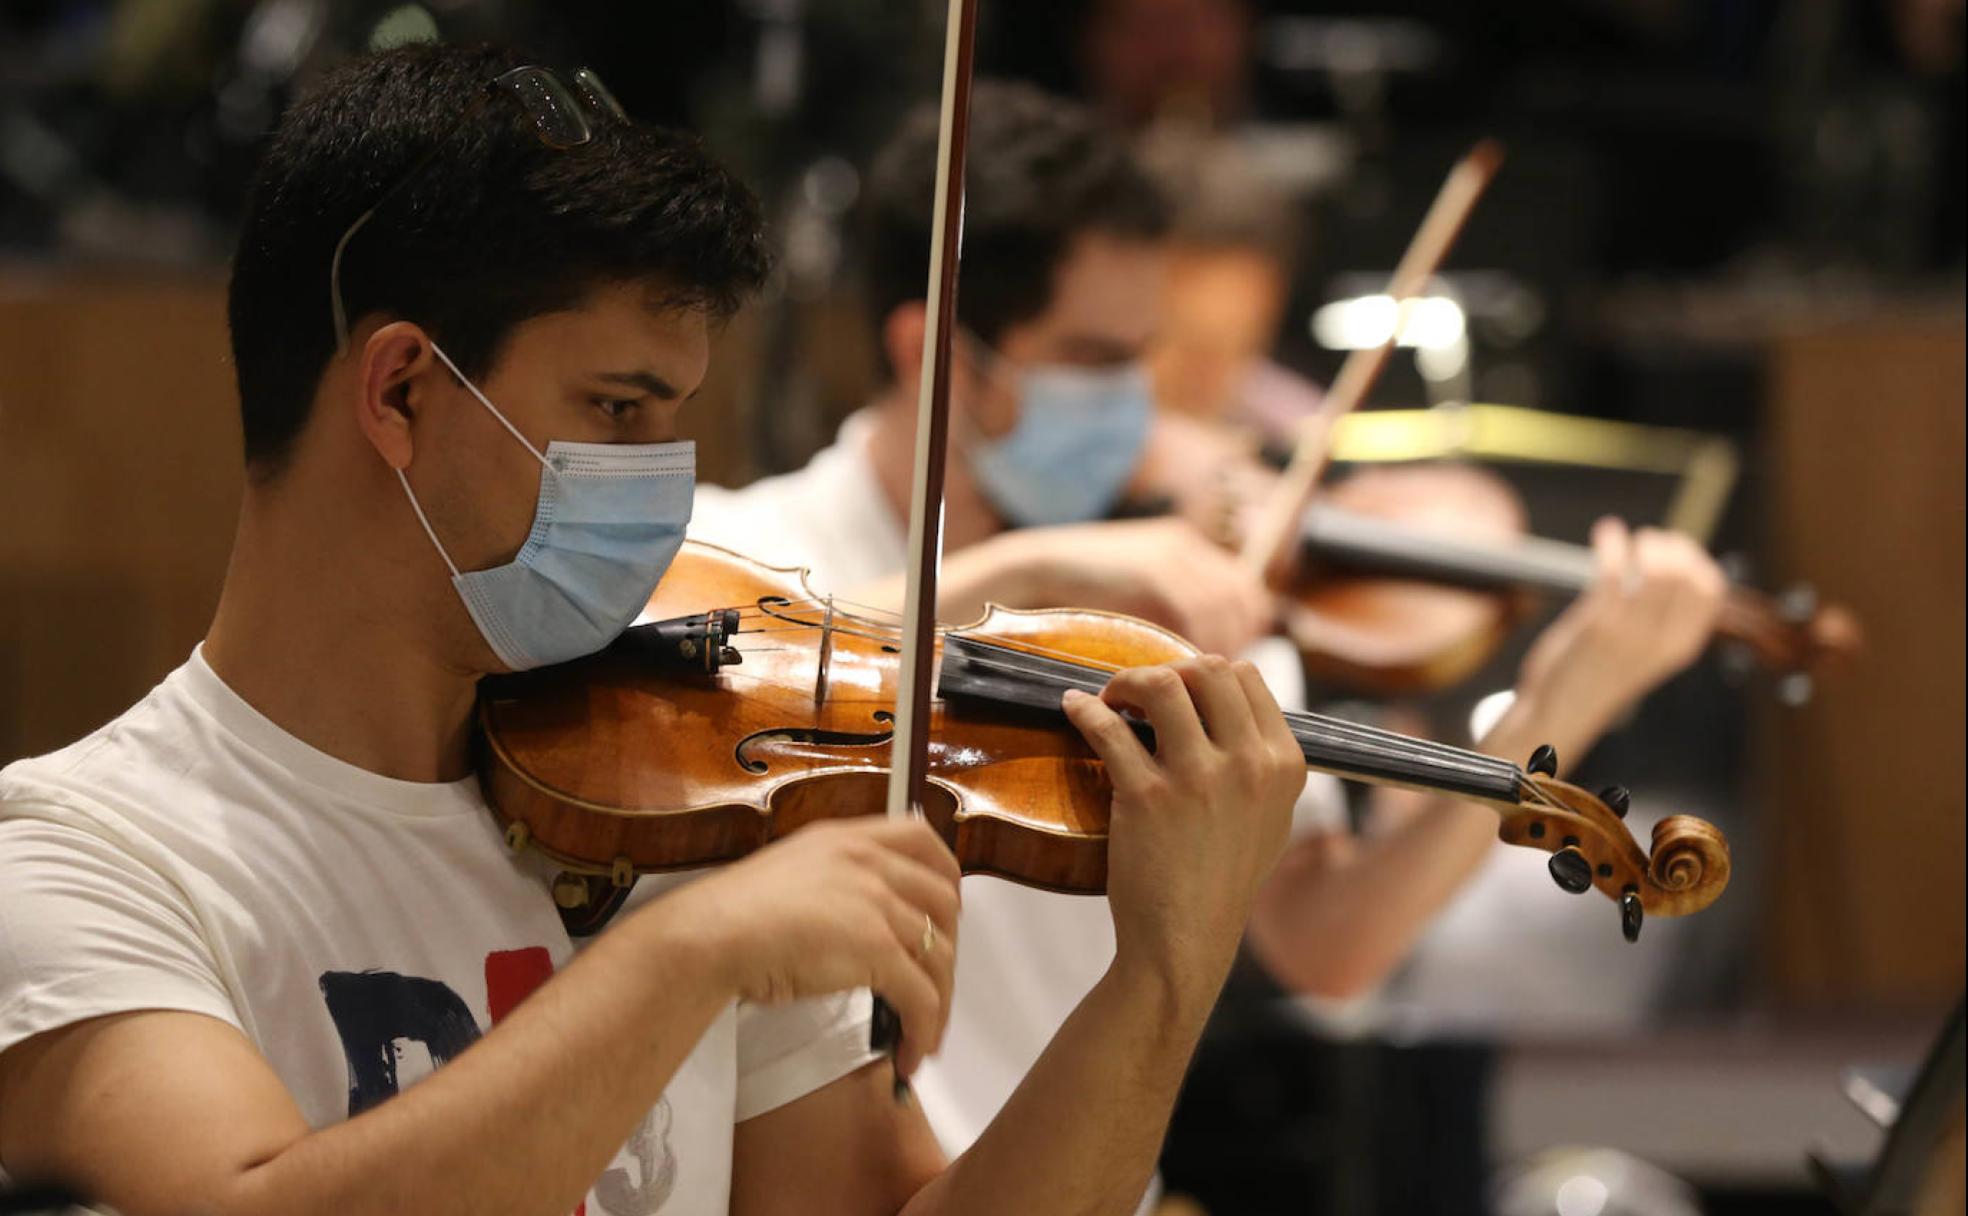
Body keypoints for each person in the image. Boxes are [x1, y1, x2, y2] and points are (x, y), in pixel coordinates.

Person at [0, 43, 1312, 1216]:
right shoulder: (87, 858)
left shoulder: (688, 814)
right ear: (400, 390)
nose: (665, 486)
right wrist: (690, 957)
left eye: (675, 419)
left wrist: (1160, 977)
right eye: (619, 411)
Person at [688, 80, 1731, 1168]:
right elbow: (745, 649)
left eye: (1149, 355)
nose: (1146, 406)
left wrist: (1557, 703)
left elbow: (1333, 947)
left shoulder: (1179, 596)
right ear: (932, 355)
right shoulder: (751, 547)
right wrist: (1030, 570)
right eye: (1098, 361)